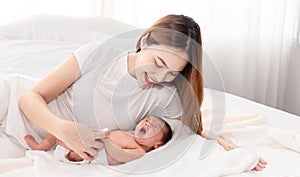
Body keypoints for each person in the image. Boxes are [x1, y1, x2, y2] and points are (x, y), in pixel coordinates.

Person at [18, 14, 204, 161]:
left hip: (31, 140)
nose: (159, 77)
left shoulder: (165, 96)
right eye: (158, 62)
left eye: (172, 73)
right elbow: (29, 98)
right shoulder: (100, 54)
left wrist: (214, 142)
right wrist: (62, 129)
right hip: (14, 107)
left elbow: (185, 137)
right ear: (146, 40)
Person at [24, 116, 173, 165]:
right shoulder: (128, 133)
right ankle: (41, 147)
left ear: (157, 144)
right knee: (63, 127)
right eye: (146, 120)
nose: (147, 123)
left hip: (94, 153)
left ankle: (70, 148)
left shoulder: (140, 151)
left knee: (85, 150)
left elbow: (121, 155)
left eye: (153, 126)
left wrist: (105, 140)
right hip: (93, 139)